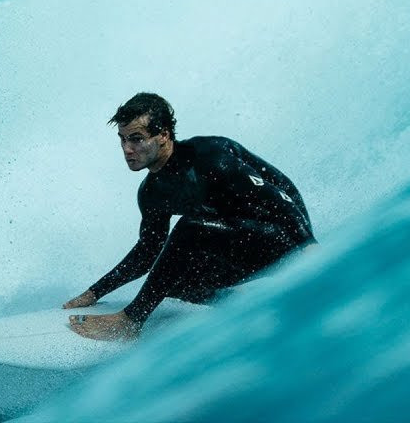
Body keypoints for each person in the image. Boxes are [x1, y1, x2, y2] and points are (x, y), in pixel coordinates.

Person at [65, 92, 316, 340]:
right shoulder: (152, 192)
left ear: (163, 134)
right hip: (240, 245)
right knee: (170, 281)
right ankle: (236, 303)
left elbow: (279, 199)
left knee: (190, 227)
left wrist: (309, 247)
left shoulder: (211, 158)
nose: (127, 149)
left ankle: (131, 321)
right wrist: (95, 293)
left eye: (136, 139)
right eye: (122, 140)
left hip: (282, 238)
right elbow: (148, 251)